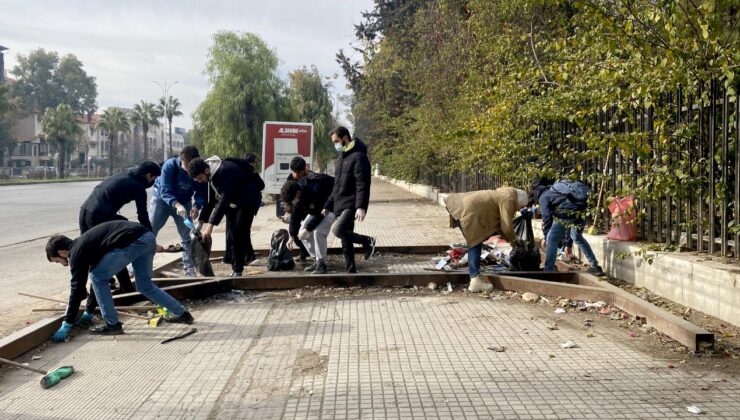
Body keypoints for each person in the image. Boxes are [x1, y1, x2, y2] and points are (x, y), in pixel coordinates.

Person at [46, 220, 194, 342]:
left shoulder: (76, 253)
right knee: (144, 286)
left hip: (134, 242)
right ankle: (183, 314)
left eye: (57, 261)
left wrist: (67, 322)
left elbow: (77, 288)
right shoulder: (86, 245)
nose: (62, 264)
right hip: (147, 238)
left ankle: (113, 324)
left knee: (98, 277)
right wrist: (89, 311)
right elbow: (95, 281)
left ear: (61, 252)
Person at [77, 160, 161, 320]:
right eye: (154, 179)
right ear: (148, 175)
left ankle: (126, 288)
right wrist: (151, 240)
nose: (152, 182)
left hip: (85, 211)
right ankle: (91, 306)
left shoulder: (125, 175)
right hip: (99, 216)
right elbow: (143, 215)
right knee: (105, 256)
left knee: (96, 253)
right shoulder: (138, 186)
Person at [189, 155, 264, 276]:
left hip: (248, 200)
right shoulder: (212, 174)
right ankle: (233, 261)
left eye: (200, 178)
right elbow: (212, 200)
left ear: (206, 171)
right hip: (235, 201)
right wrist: (201, 222)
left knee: (239, 232)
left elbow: (224, 199)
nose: (200, 181)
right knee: (231, 232)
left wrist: (210, 226)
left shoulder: (224, 171)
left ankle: (238, 270)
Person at [445, 187, 530, 292]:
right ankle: (475, 281)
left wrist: (510, 240)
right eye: (520, 206)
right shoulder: (508, 200)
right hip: (470, 211)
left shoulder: (502, 194)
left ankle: (474, 277)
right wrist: (514, 240)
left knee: (475, 242)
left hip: (459, 204)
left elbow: (500, 225)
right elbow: (506, 227)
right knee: (475, 243)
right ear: (519, 201)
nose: (518, 209)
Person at [322, 126, 376, 273]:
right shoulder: (340, 159)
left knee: (337, 229)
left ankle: (368, 241)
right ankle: (351, 271)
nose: (335, 145)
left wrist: (361, 206)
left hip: (351, 204)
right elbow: (336, 186)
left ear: (345, 138)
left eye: (336, 141)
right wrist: (328, 204)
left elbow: (363, 183)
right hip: (340, 204)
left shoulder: (359, 156)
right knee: (346, 241)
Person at [149, 146, 207, 277]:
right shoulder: (170, 166)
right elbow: (165, 190)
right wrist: (176, 205)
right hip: (162, 201)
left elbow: (201, 190)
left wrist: (197, 206)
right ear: (181, 159)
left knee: (187, 236)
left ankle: (189, 269)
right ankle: (134, 267)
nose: (189, 171)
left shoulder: (197, 167)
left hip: (185, 202)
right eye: (187, 166)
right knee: (149, 233)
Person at [536, 181, 605, 276]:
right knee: (577, 237)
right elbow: (569, 225)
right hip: (582, 210)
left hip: (567, 212)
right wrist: (568, 243)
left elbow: (546, 217)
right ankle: (595, 267)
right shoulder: (557, 191)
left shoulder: (544, 197)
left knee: (551, 239)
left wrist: (546, 236)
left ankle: (549, 270)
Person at [281, 157, 335, 274]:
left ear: (298, 193)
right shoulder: (295, 189)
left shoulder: (315, 187)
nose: (295, 175)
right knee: (302, 233)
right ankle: (317, 259)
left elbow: (320, 214)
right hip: (317, 210)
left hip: (331, 207)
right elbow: (295, 214)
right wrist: (291, 235)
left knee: (318, 232)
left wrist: (308, 228)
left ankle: (321, 265)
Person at [224, 152, 260, 265]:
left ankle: (229, 256)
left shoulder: (232, 168)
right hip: (243, 204)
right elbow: (261, 185)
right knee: (243, 230)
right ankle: (248, 257)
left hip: (229, 204)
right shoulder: (249, 170)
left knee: (231, 229)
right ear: (253, 162)